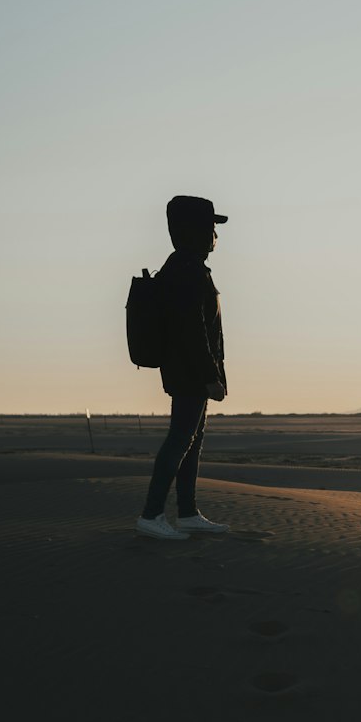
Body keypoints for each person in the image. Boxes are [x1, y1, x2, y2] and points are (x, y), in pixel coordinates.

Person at [136, 195, 231, 540]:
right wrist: (210, 377)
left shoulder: (186, 266)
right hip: (190, 372)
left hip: (189, 370)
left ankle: (188, 512)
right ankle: (152, 514)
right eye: (211, 228)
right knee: (180, 439)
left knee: (190, 440)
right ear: (196, 230)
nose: (216, 236)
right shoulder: (186, 270)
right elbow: (193, 331)